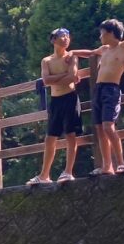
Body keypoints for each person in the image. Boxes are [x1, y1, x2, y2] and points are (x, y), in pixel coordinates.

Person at [71, 19, 124, 175]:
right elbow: (90, 53)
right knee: (99, 128)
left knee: (108, 126)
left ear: (110, 33)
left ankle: (121, 164)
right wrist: (72, 52)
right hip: (98, 89)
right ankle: (107, 166)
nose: (100, 37)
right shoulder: (104, 49)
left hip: (111, 89)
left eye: (102, 33)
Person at [28, 27, 83, 185]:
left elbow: (72, 77)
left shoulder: (72, 57)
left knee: (71, 135)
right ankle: (44, 175)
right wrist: (65, 76)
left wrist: (57, 78)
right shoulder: (46, 61)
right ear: (53, 40)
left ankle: (68, 172)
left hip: (70, 98)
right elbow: (46, 81)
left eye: (67, 36)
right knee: (50, 137)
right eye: (62, 36)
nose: (66, 38)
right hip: (55, 100)